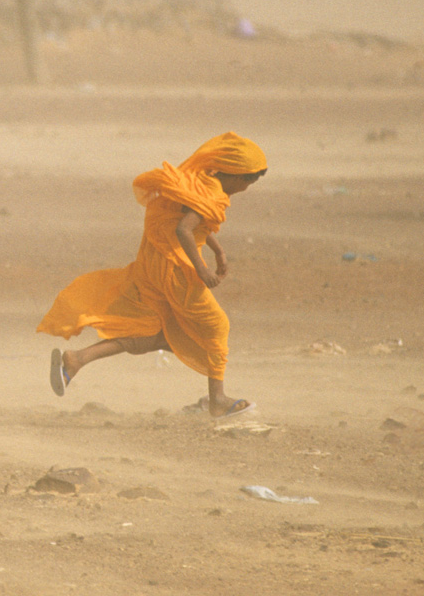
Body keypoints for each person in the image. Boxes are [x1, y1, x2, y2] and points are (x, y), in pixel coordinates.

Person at [38, 132, 267, 418]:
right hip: (174, 269)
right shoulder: (211, 191)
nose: (247, 187)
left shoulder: (202, 182)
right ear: (235, 174)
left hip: (154, 262)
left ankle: (77, 360)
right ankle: (218, 400)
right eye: (248, 180)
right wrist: (202, 268)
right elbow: (183, 230)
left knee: (153, 331)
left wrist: (218, 250)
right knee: (216, 327)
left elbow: (190, 222)